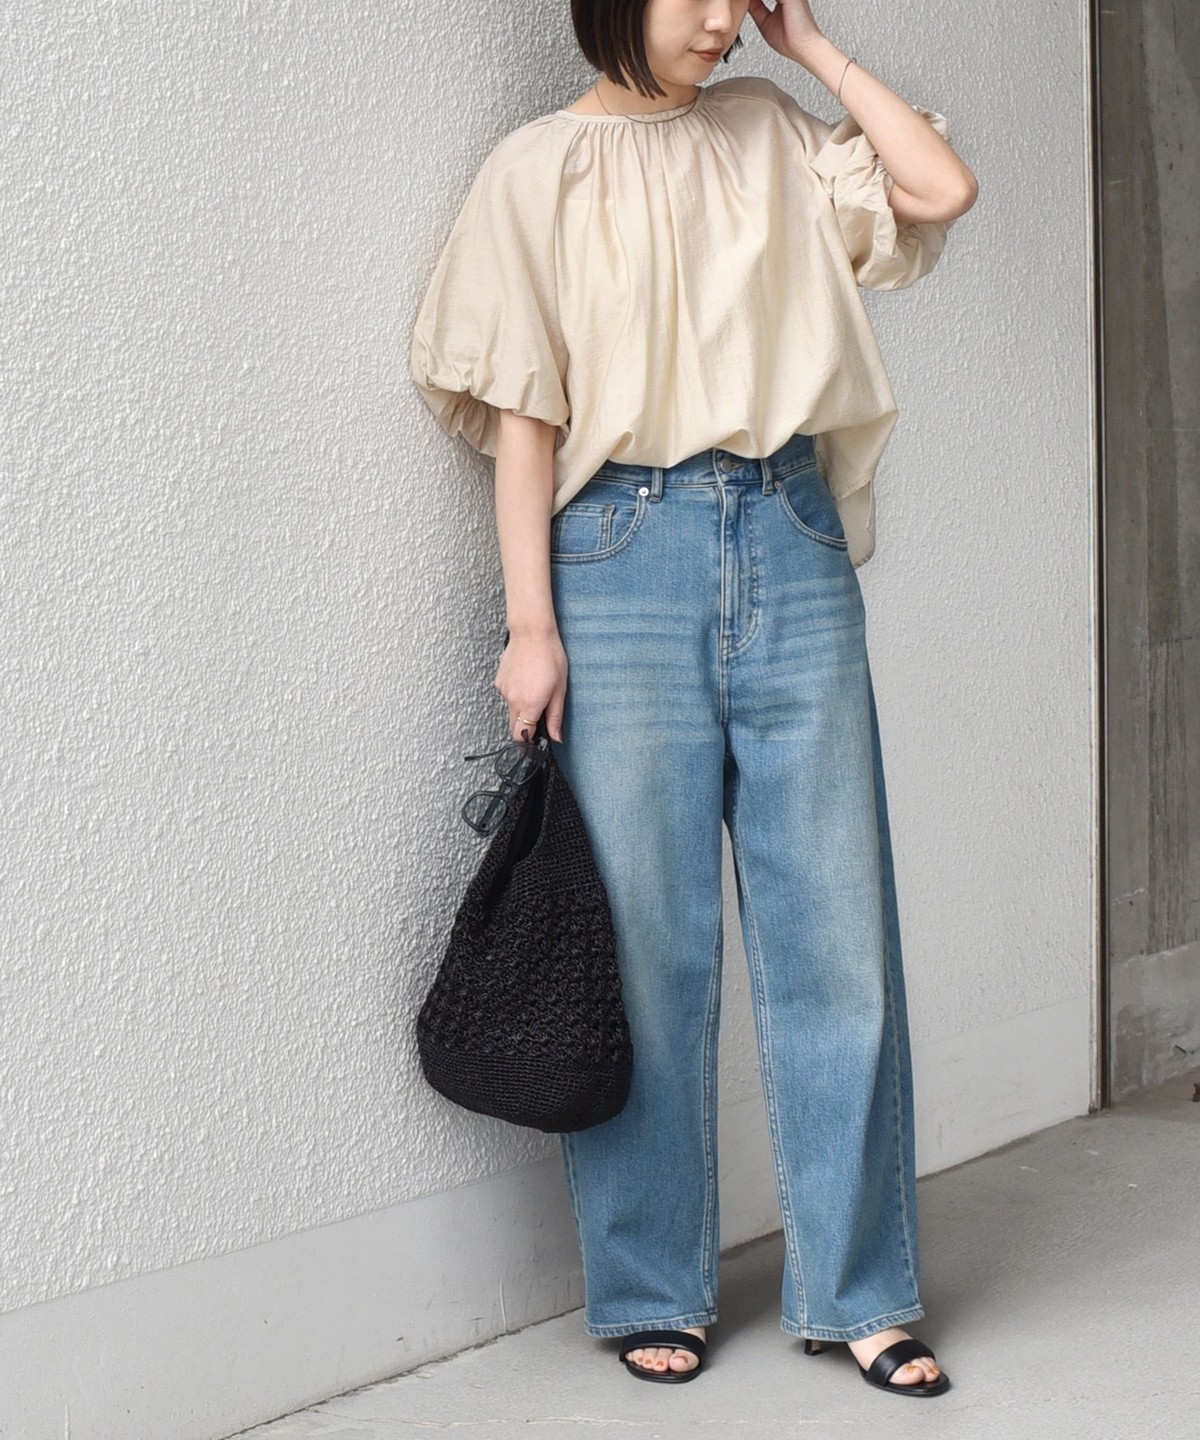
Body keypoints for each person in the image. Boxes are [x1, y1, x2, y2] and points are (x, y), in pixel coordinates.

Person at [409, 0, 977, 1398]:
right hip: (619, 557)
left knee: (838, 933)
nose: (725, 19)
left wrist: (814, 47)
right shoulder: (535, 170)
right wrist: (529, 626)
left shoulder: (771, 130)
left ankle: (861, 1290)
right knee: (647, 950)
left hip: (789, 534)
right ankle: (649, 1283)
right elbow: (527, 415)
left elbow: (937, 190)